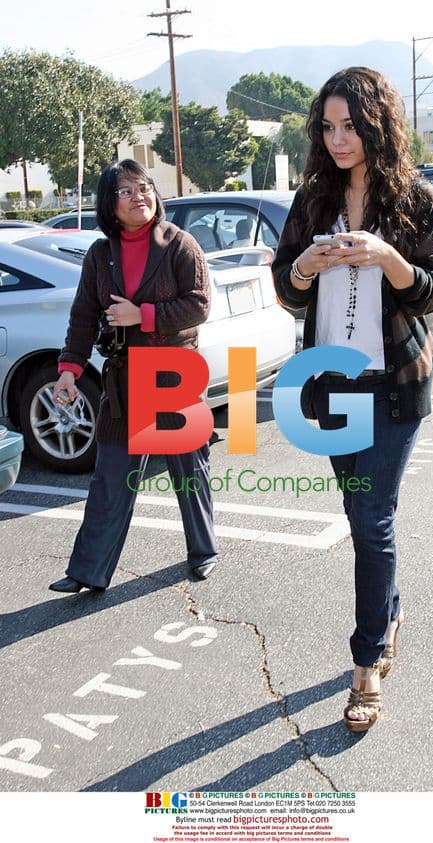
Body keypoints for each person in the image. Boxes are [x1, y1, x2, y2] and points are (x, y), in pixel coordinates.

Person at [272, 67, 433, 732]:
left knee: (372, 518)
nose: (338, 138)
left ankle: (367, 659)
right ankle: (391, 613)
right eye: (328, 127)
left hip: (394, 382)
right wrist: (304, 267)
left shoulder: (416, 198)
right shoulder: (313, 199)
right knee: (362, 513)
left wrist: (386, 257)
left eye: (350, 125)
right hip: (332, 383)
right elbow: (286, 288)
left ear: (377, 124)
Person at [49, 159, 218, 594]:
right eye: (125, 191)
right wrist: (69, 370)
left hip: (173, 374)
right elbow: (83, 316)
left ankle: (203, 550)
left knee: (189, 470)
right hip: (124, 380)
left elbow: (198, 305)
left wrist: (141, 315)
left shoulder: (179, 244)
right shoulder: (100, 255)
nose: (138, 197)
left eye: (143, 187)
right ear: (110, 204)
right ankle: (87, 571)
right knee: (111, 474)